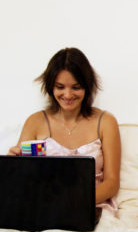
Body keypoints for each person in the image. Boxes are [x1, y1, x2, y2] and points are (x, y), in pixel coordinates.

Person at [8, 47, 121, 210]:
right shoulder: (35, 122)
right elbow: (22, 178)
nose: (67, 95)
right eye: (60, 87)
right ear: (50, 87)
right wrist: (10, 164)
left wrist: (74, 202)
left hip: (90, 206)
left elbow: (112, 183)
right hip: (43, 208)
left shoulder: (105, 122)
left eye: (76, 87)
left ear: (87, 87)